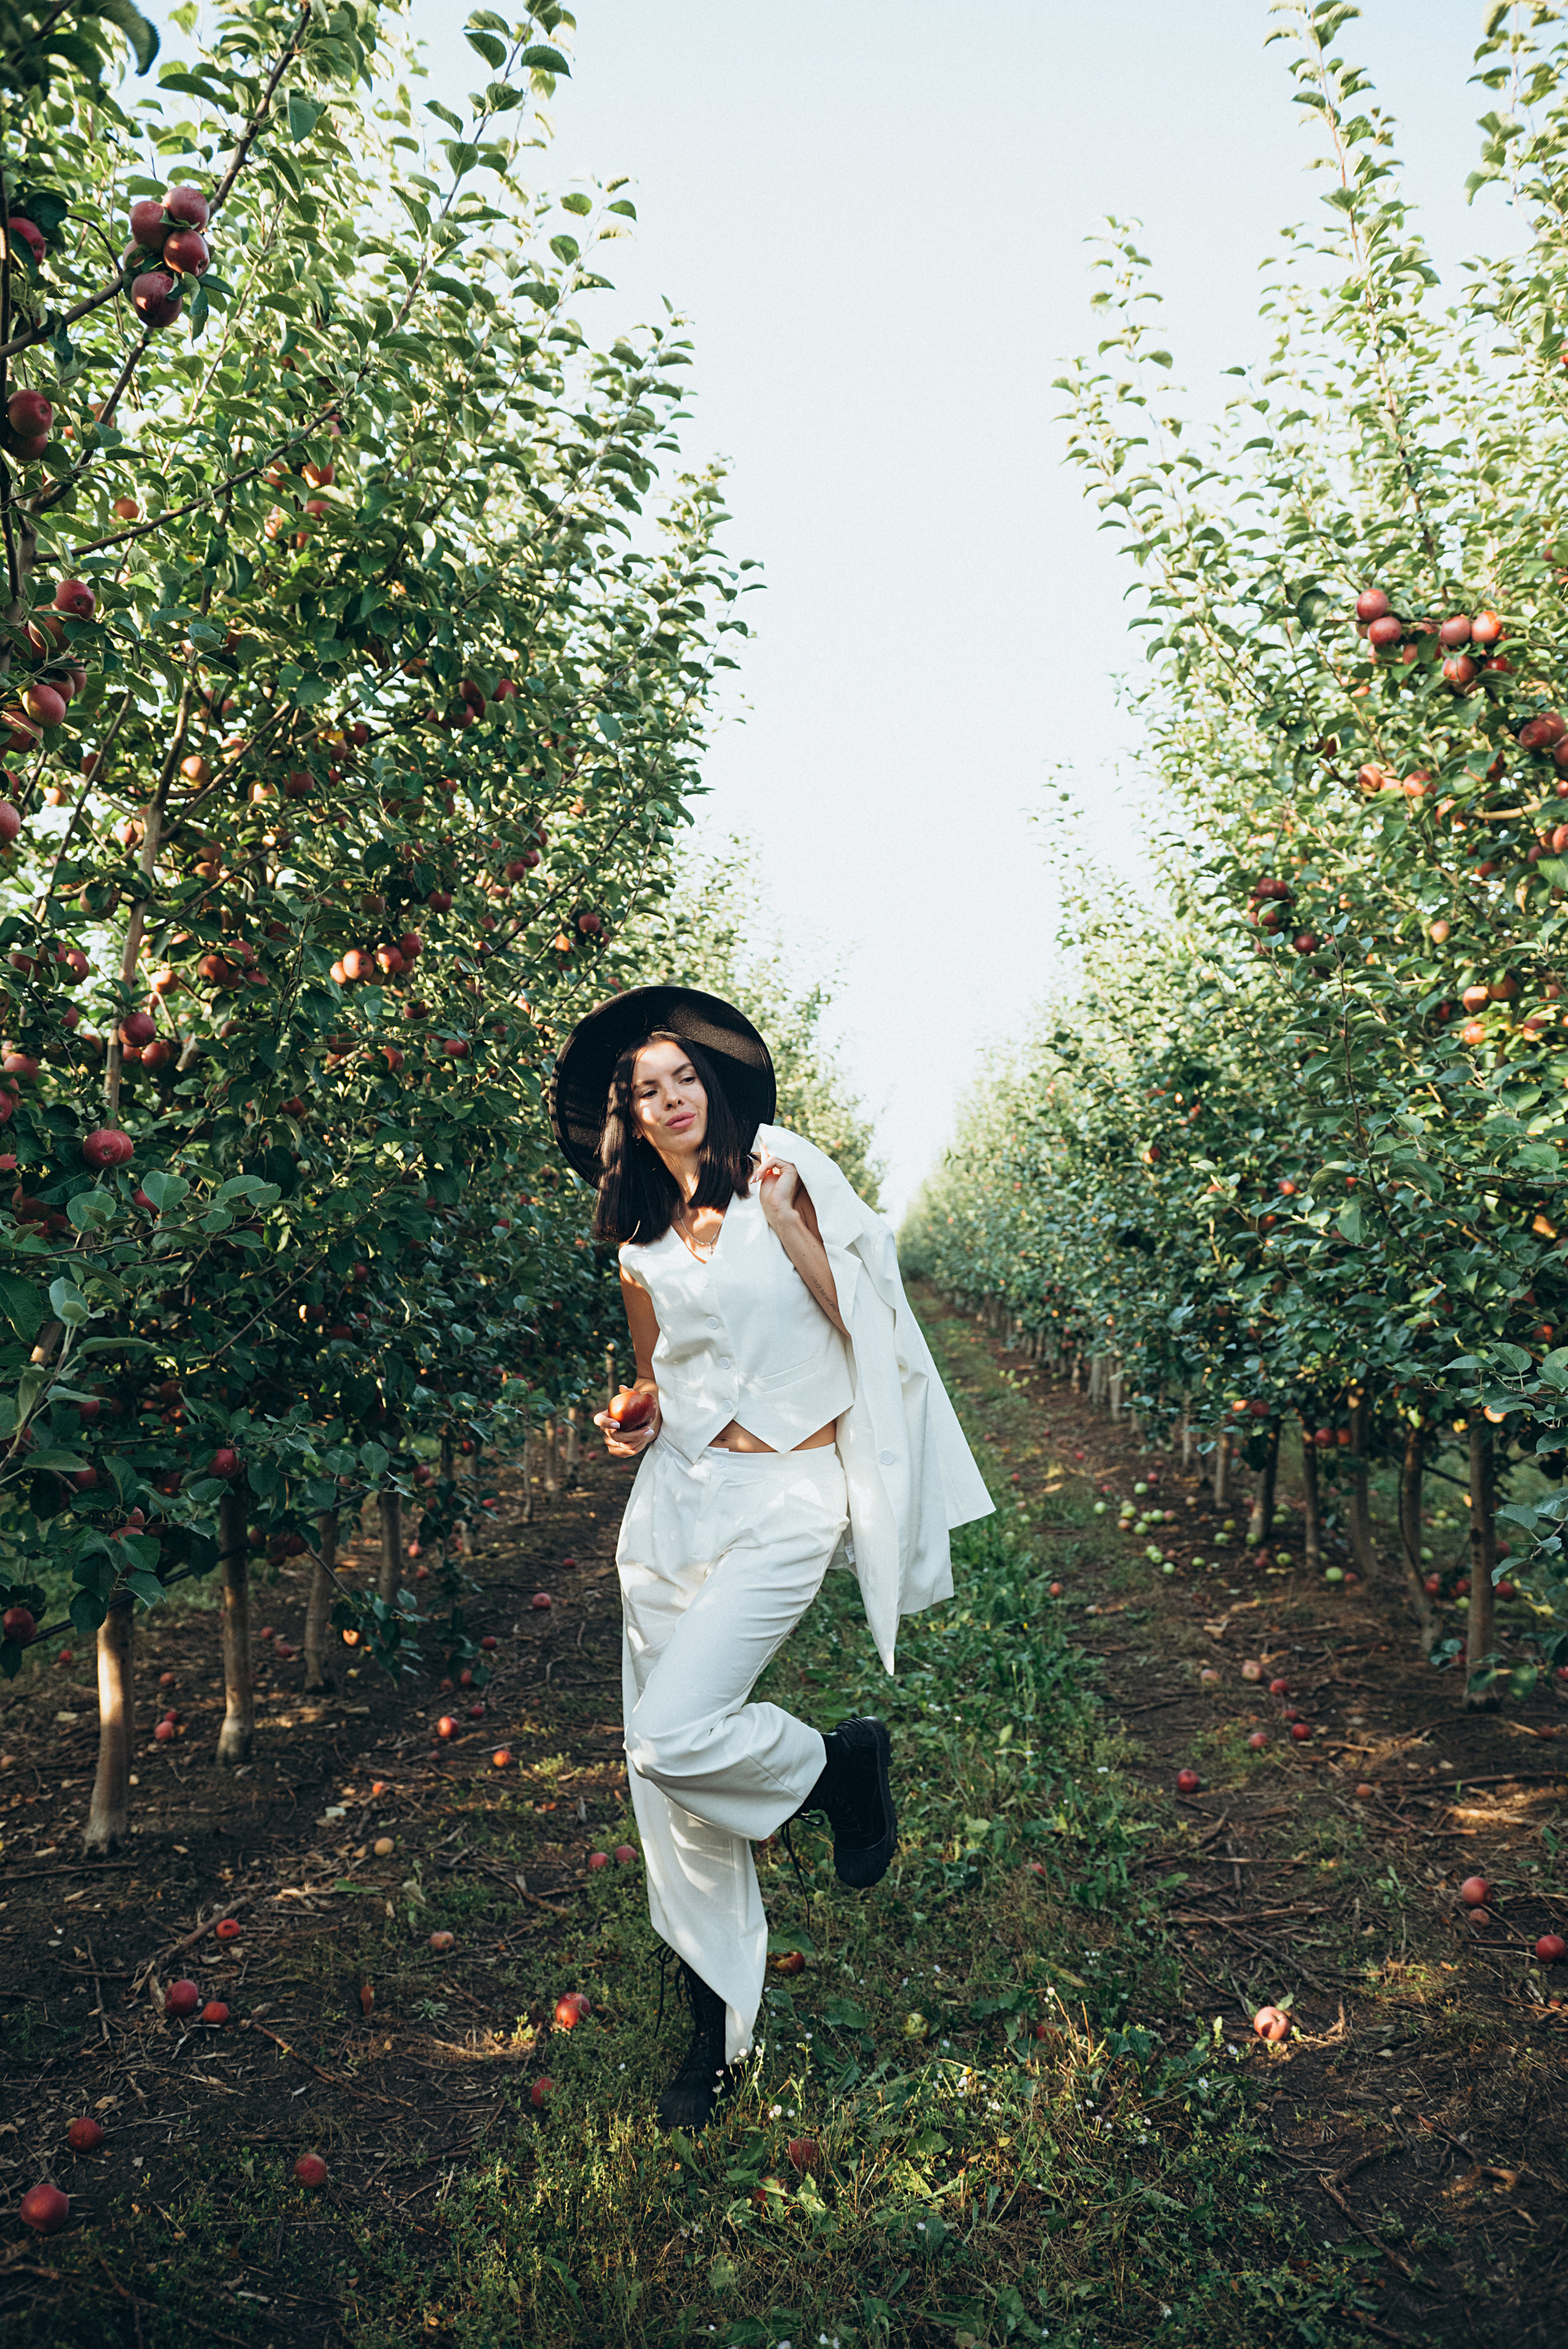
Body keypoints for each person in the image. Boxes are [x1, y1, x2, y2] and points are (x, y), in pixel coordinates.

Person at [548, 984, 992, 2131]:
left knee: (673, 1737)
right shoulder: (639, 1238)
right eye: (645, 1090)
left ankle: (839, 1767)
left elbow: (875, 1321)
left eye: (682, 1076)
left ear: (713, 1080)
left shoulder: (784, 1167)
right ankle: (719, 2031)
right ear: (628, 1117)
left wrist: (793, 1227)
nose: (671, 1098)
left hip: (793, 1491)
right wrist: (631, 1417)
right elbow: (656, 1377)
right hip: (680, 1500)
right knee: (669, 1788)